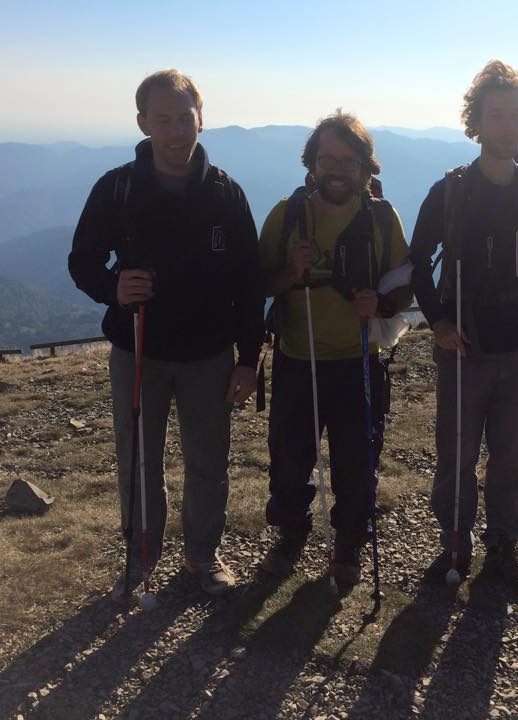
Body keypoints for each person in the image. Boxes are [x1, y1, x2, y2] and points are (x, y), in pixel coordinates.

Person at [68, 69, 265, 598]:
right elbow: (83, 260)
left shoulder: (226, 193)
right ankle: (142, 559)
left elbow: (250, 283)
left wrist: (250, 360)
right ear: (143, 123)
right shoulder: (119, 189)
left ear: (202, 118)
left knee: (209, 462)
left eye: (185, 118)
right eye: (164, 121)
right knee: (138, 461)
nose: (177, 132)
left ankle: (203, 556)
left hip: (209, 355)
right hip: (139, 350)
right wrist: (113, 286)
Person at [410, 60, 518, 592]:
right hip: (464, 341)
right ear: (475, 121)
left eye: (516, 114)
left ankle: (502, 546)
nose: (507, 124)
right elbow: (417, 258)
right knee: (456, 450)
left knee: (514, 452)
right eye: (495, 114)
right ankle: (455, 539)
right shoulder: (452, 191)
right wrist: (437, 322)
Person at [259, 111, 411, 585]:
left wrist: (381, 303)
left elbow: (405, 284)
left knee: (356, 462)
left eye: (347, 160)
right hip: (295, 356)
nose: (336, 169)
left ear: (366, 168)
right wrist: (290, 272)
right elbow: (258, 283)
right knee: (289, 457)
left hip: (356, 359)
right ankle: (291, 536)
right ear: (312, 164)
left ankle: (347, 546)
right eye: (327, 159)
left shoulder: (381, 219)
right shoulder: (287, 216)